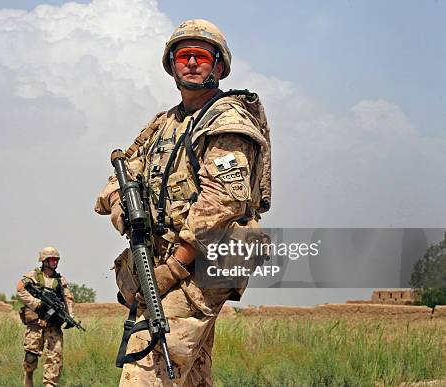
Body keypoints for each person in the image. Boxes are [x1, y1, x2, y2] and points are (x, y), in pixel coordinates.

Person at [95, 19, 271, 386]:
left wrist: (173, 268)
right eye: (184, 56)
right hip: (161, 262)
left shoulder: (227, 121)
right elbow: (122, 170)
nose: (191, 63)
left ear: (218, 67)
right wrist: (118, 202)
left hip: (200, 268)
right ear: (172, 65)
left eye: (201, 56)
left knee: (147, 369)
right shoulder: (163, 125)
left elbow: (222, 204)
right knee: (191, 377)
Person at [16, 246, 75, 387]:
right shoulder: (33, 276)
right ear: (44, 261)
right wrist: (37, 304)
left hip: (53, 326)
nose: (55, 262)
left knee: (56, 357)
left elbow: (68, 299)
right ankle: (28, 379)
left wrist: (70, 316)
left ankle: (50, 384)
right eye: (52, 259)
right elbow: (20, 289)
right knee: (30, 357)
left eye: (57, 259)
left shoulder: (60, 281)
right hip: (36, 325)